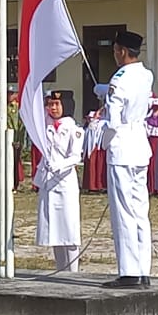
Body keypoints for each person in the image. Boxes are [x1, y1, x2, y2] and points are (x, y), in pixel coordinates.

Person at [98, 29, 155, 288]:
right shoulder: (146, 75)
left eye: (115, 51)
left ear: (121, 51)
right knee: (140, 210)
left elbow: (113, 119)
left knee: (123, 212)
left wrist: (102, 141)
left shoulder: (118, 78)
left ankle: (129, 272)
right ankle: (143, 270)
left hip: (121, 146)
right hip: (140, 145)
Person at [34, 90, 84, 271]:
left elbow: (76, 157)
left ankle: (73, 270)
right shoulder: (45, 125)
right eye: (50, 104)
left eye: (57, 104)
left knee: (69, 229)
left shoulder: (73, 128)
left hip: (65, 181)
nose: (53, 108)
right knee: (54, 230)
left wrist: (59, 165)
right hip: (48, 182)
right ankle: (60, 269)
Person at [81, 110, 107, 193]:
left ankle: (97, 185)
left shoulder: (98, 124)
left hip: (96, 148)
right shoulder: (91, 125)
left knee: (97, 167)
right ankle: (91, 185)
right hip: (91, 148)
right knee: (92, 167)